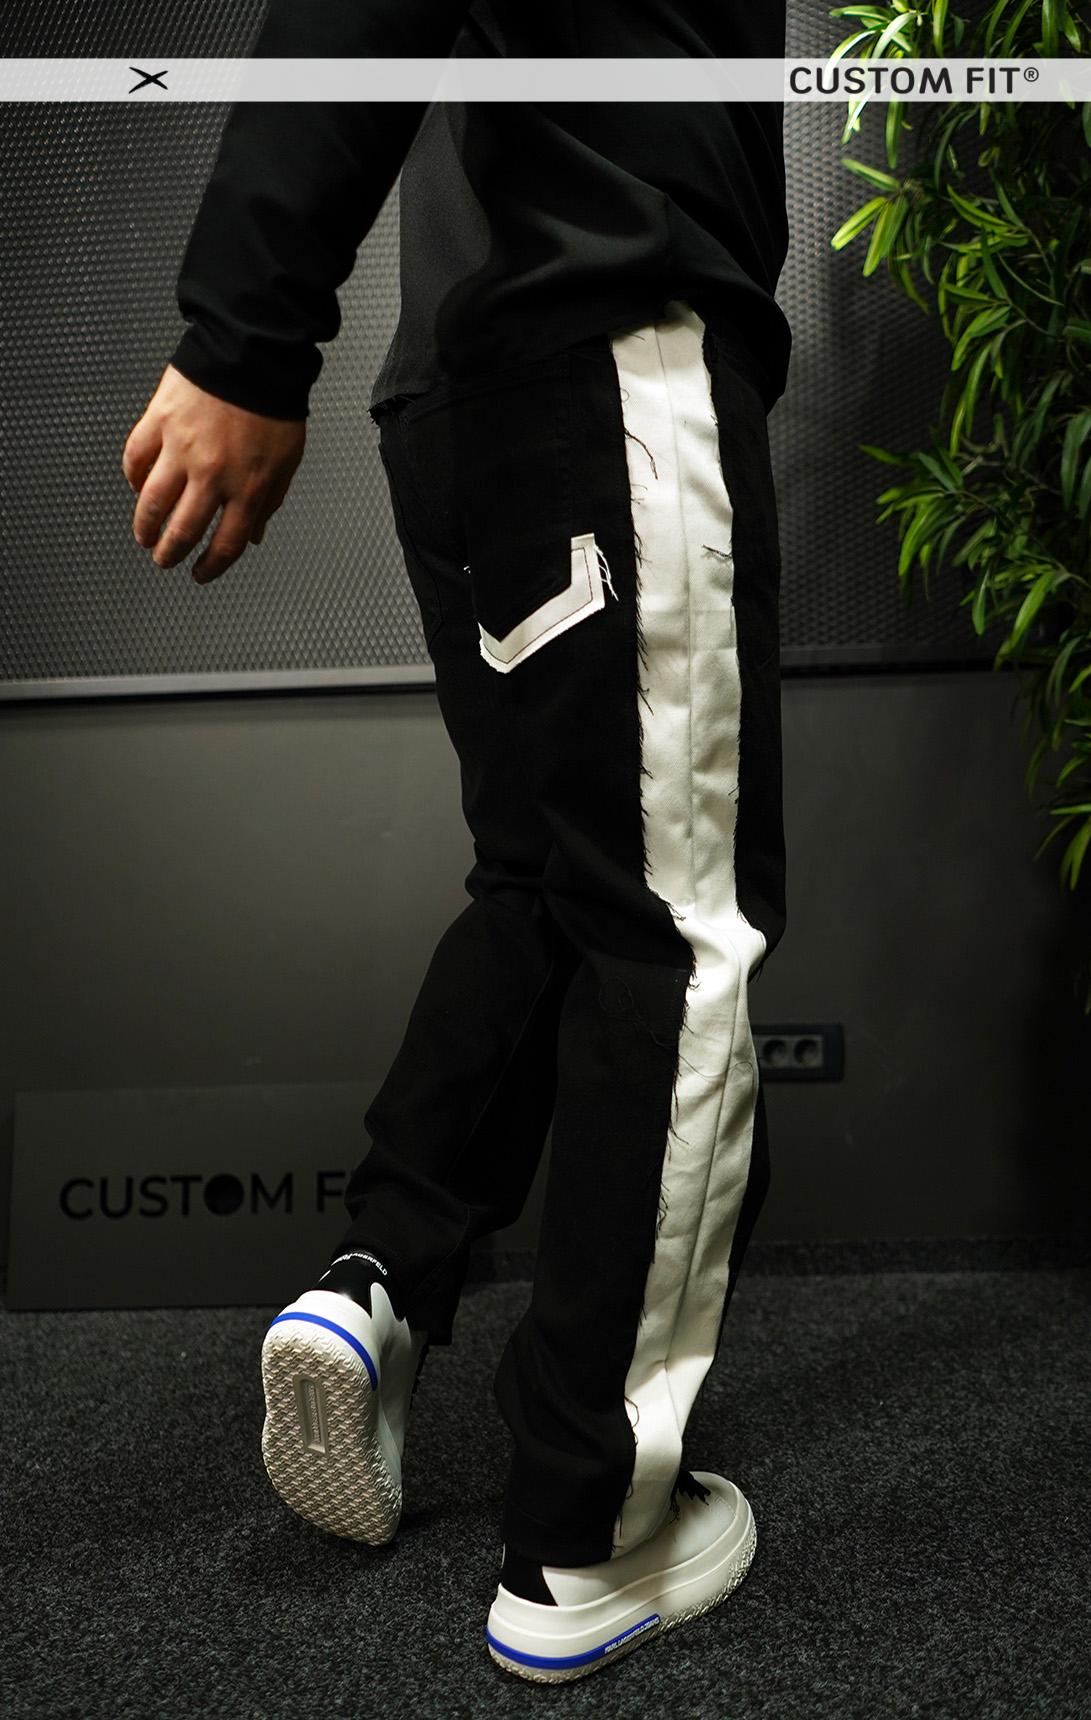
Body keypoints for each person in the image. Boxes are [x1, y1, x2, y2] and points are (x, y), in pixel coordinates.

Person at [121, 0, 792, 1685]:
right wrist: (242, 336)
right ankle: (591, 1538)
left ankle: (383, 1279)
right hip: (616, 345)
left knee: (549, 884)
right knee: (676, 939)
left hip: (471, 391)